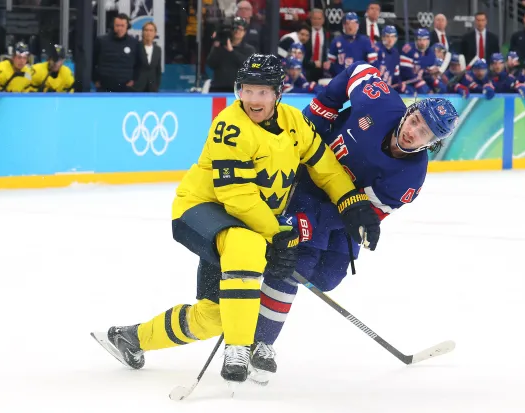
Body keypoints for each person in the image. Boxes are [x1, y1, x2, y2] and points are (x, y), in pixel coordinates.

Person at [91, 54, 381, 384]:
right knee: (248, 243)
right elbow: (238, 198)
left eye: (262, 92)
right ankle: (239, 346)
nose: (253, 100)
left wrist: (353, 203)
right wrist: (277, 234)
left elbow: (326, 167)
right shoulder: (229, 127)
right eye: (247, 90)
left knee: (213, 316)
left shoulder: (293, 123)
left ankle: (132, 338)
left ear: (278, 93)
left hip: (247, 223)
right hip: (201, 211)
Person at [248, 61, 459, 384]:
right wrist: (321, 110)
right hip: (307, 182)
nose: (412, 131)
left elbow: (364, 215)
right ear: (409, 111)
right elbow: (357, 69)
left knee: (328, 277)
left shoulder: (410, 179)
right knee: (297, 263)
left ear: (431, 143)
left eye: (423, 133)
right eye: (415, 120)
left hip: (340, 210)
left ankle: (271, 267)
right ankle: (260, 342)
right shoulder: (380, 101)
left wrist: (314, 224)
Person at [92, 13, 142, 92]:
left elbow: (138, 64)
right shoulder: (101, 41)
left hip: (126, 87)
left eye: (122, 26)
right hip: (104, 86)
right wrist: (95, 80)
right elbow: (92, 62)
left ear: (127, 27)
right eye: (117, 25)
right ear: (113, 26)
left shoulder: (134, 43)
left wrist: (134, 80)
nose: (120, 28)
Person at [206, 17, 256, 92]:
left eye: (240, 29)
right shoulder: (220, 47)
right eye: (235, 28)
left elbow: (247, 66)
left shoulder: (249, 49)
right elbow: (211, 64)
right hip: (218, 88)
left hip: (239, 90)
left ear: (245, 32)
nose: (237, 31)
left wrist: (231, 51)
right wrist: (216, 46)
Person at [326, 12, 377, 76]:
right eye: (348, 23)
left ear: (357, 25)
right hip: (340, 79)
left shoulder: (365, 41)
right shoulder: (336, 41)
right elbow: (330, 64)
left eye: (353, 23)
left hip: (359, 79)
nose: (350, 26)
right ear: (344, 25)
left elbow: (373, 63)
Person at [400, 28, 435, 95]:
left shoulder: (431, 54)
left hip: (420, 81)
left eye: (424, 39)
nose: (422, 42)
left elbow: (429, 76)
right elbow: (405, 73)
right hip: (406, 82)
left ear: (428, 40)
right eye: (419, 39)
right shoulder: (408, 49)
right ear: (415, 40)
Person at [135, 21, 162, 92]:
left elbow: (158, 69)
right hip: (137, 87)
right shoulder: (136, 47)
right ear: (142, 32)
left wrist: (156, 85)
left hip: (152, 87)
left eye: (151, 30)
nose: (148, 33)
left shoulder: (158, 49)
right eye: (146, 30)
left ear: (155, 33)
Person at [377, 26, 402, 91]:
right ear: (382, 37)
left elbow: (396, 75)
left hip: (388, 87)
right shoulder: (376, 49)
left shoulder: (396, 53)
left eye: (392, 36)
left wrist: (400, 83)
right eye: (387, 36)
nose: (390, 39)